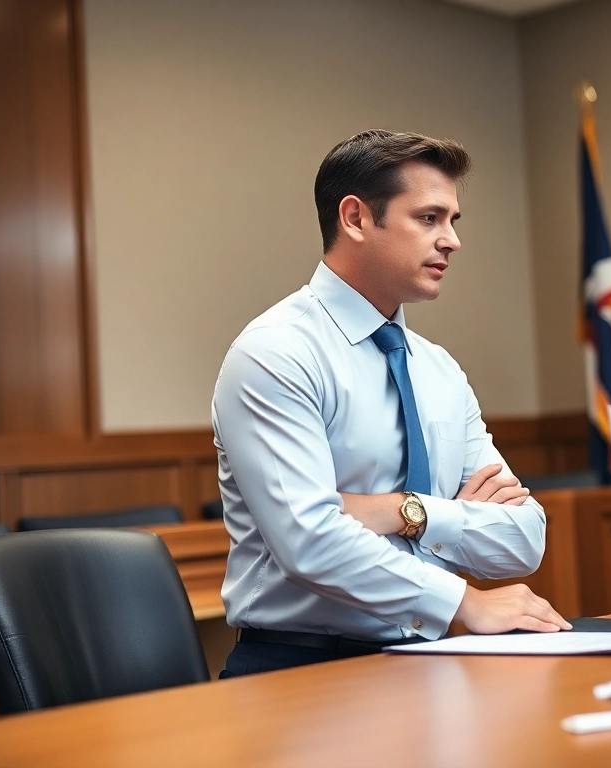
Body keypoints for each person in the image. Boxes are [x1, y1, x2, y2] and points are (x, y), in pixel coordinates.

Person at [213, 130, 570, 677]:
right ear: (355, 219)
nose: (452, 240)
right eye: (429, 218)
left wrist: (406, 511)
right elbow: (310, 542)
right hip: (299, 667)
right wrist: (464, 601)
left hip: (430, 662)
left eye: (453, 221)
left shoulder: (439, 369)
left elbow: (523, 540)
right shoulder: (275, 353)